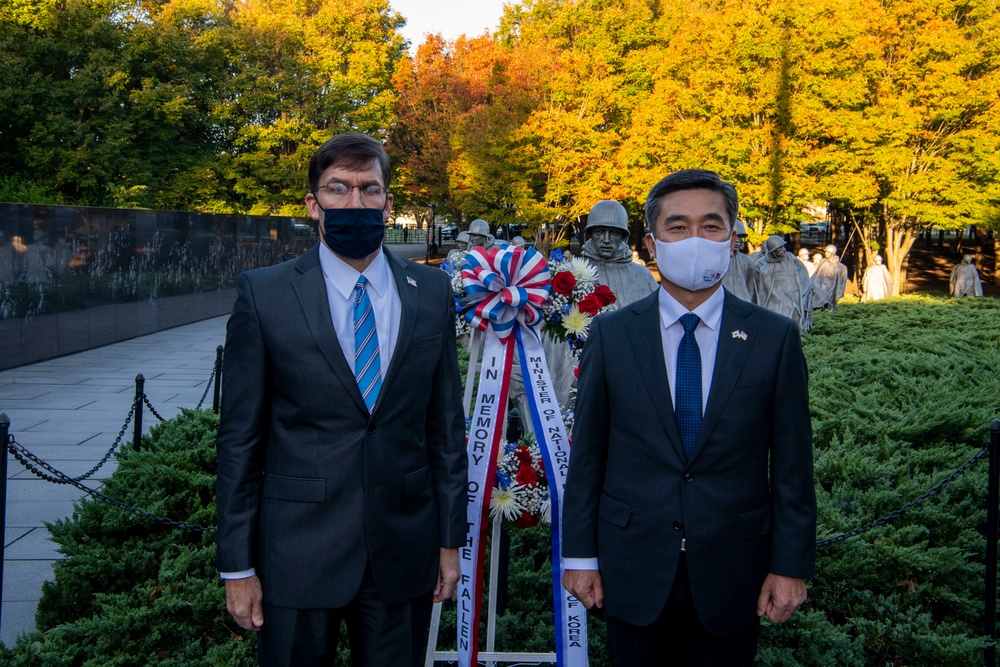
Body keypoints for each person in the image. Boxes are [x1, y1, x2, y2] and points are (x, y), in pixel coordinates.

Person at [215, 132, 468, 667]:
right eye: (338, 189)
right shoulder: (265, 294)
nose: (355, 202)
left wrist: (450, 542)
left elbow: (445, 429)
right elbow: (240, 439)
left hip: (403, 550)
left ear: (388, 203)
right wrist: (237, 566)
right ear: (313, 205)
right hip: (296, 553)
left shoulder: (433, 293)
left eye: (369, 190)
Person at [562, 169, 816, 667]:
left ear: (732, 237)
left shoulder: (773, 338)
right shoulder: (612, 336)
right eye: (678, 227)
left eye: (711, 225)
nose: (695, 239)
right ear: (652, 245)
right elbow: (588, 455)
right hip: (631, 568)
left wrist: (790, 566)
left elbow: (792, 466)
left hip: (734, 572)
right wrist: (579, 556)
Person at [580, 199, 658, 307]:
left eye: (614, 233)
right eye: (599, 232)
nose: (606, 240)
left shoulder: (643, 275)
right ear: (590, 234)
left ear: (623, 236)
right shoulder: (575, 273)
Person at [753, 235, 813, 333]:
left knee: (791, 328)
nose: (782, 250)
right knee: (773, 329)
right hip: (770, 303)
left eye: (783, 247)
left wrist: (803, 294)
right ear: (772, 251)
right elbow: (754, 287)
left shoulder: (790, 258)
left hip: (790, 301)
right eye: (778, 248)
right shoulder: (761, 264)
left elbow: (804, 276)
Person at [720, 218, 756, 303]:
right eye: (734, 237)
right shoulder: (714, 260)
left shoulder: (747, 262)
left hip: (743, 304)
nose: (737, 241)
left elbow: (750, 288)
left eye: (740, 238)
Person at [812, 244, 847, 311]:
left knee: (829, 302)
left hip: (830, 287)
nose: (826, 253)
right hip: (820, 285)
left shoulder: (839, 266)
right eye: (825, 251)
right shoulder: (823, 261)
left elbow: (840, 280)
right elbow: (817, 273)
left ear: (833, 253)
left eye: (828, 252)